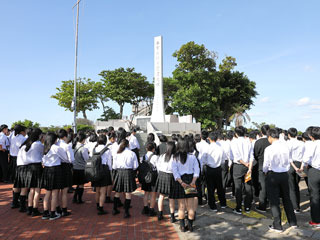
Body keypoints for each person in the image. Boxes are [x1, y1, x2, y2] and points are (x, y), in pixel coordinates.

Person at [263, 128, 297, 232]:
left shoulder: (269, 149)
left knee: (274, 201)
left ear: (270, 137)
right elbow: (289, 160)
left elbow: (265, 164)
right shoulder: (286, 147)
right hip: (284, 175)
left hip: (273, 175)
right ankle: (293, 222)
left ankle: (277, 225)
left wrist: (265, 171)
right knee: (287, 198)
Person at [171, 137, 200, 232]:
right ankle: (190, 226)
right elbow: (197, 171)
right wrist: (193, 181)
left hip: (180, 182)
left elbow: (175, 172)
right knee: (190, 206)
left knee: (181, 206)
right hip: (191, 180)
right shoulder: (192, 157)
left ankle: (182, 226)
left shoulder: (175, 157)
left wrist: (181, 182)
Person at [41, 132, 68, 220]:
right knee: (55, 193)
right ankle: (53, 213)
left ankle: (45, 213)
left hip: (47, 169)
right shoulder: (56, 148)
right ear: (54, 139)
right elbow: (65, 158)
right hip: (55, 169)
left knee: (47, 193)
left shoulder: (45, 147)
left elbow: (43, 161)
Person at [112, 139, 139, 218]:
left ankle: (114, 209)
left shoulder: (117, 153)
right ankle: (126, 212)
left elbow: (114, 166)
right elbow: (135, 166)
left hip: (119, 173)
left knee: (117, 192)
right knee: (128, 193)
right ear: (128, 145)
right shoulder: (132, 153)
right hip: (128, 172)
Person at [231, 126, 254, 214]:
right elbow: (251, 156)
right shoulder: (248, 141)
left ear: (236, 133)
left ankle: (239, 207)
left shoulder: (234, 142)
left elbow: (237, 156)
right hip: (248, 166)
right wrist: (249, 167)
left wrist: (245, 163)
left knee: (238, 187)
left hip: (239, 166)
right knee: (248, 186)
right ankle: (247, 207)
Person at [21, 128, 44, 216]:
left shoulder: (27, 144)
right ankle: (35, 209)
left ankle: (30, 208)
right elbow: (43, 153)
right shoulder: (38, 144)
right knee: (37, 190)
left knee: (31, 189)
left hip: (29, 167)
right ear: (39, 135)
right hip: (37, 167)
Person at [203, 132, 227, 211]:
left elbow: (203, 160)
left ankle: (212, 205)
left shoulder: (207, 148)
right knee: (219, 186)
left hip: (209, 169)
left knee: (210, 188)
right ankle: (223, 203)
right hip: (218, 169)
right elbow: (224, 159)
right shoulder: (220, 148)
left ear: (209, 139)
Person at [155, 141, 176, 222]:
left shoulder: (162, 156)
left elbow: (158, 166)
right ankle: (172, 216)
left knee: (161, 196)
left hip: (161, 175)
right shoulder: (175, 157)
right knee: (171, 198)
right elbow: (175, 169)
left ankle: (160, 214)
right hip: (171, 176)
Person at [91, 134, 112, 215]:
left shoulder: (94, 149)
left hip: (95, 170)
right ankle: (101, 208)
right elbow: (109, 163)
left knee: (97, 190)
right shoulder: (107, 150)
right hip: (104, 170)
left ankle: (97, 205)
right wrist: (110, 171)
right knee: (103, 191)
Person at [304, 127, 320, 228]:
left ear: (311, 136)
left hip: (315, 171)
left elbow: (306, 158)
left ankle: (316, 220)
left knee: (314, 195)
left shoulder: (312, 144)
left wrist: (306, 164)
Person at [286, 127, 305, 214]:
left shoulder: (287, 143)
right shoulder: (302, 143)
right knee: (296, 186)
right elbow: (304, 157)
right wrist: (301, 167)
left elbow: (288, 157)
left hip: (291, 165)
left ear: (289, 135)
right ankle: (297, 205)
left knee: (291, 187)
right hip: (299, 164)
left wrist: (294, 167)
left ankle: (295, 207)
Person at [56, 129, 74, 217]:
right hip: (66, 167)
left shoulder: (55, 145)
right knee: (64, 191)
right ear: (64, 137)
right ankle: (64, 209)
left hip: (57, 167)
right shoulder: (67, 146)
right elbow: (71, 159)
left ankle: (56, 208)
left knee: (56, 191)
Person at [9, 125, 27, 208]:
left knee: (16, 181)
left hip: (13, 159)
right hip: (20, 160)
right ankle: (21, 201)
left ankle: (14, 201)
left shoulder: (12, 136)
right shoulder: (23, 138)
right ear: (21, 131)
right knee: (22, 182)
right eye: (24, 131)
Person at [254, 125, 271, 213]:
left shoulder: (258, 142)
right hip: (272, 167)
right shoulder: (271, 142)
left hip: (261, 165)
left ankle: (262, 205)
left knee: (263, 186)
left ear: (261, 132)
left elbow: (255, 154)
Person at [140, 142, 158, 217]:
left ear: (146, 148)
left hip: (145, 177)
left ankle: (145, 208)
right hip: (153, 177)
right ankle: (151, 209)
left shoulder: (143, 157)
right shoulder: (155, 157)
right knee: (153, 194)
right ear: (153, 149)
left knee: (146, 193)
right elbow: (158, 167)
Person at [72, 132, 89, 204]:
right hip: (82, 168)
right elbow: (87, 159)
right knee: (81, 185)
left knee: (78, 184)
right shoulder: (83, 149)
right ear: (83, 139)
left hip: (75, 168)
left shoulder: (73, 147)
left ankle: (75, 197)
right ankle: (79, 199)